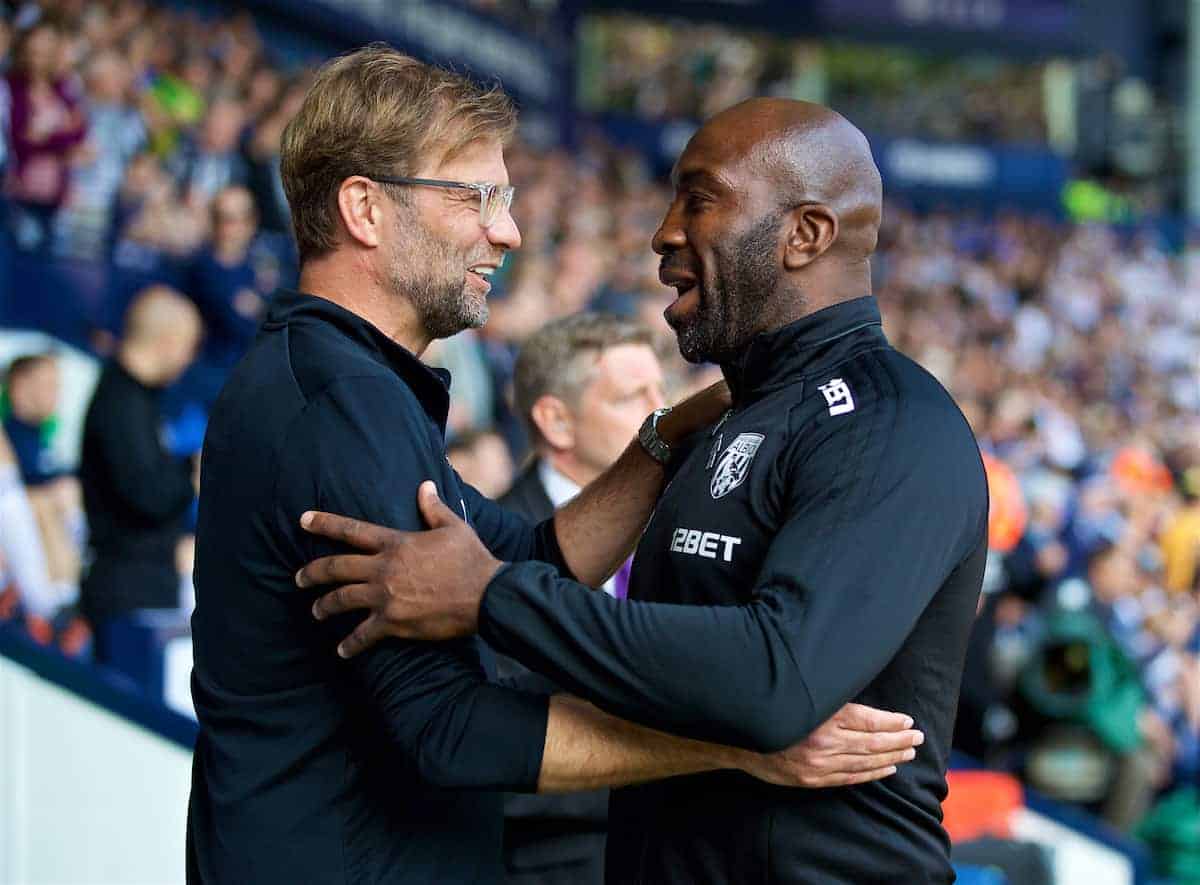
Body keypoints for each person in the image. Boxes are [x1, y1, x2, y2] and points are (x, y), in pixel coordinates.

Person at [186, 48, 922, 885]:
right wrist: (740, 743)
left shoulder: (347, 382)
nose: (508, 230)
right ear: (364, 208)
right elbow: (448, 727)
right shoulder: (340, 401)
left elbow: (529, 557)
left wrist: (673, 430)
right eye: (478, 198)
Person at [499, 313, 665, 883]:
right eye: (631, 397)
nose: (662, 412)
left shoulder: (683, 527)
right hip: (547, 862)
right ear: (557, 421)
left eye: (660, 390)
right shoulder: (490, 550)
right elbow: (492, 746)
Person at [79, 285, 201, 661]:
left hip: (145, 583)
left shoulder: (138, 400)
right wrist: (192, 477)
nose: (188, 360)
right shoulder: (121, 403)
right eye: (188, 347)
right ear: (167, 341)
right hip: (127, 592)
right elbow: (146, 493)